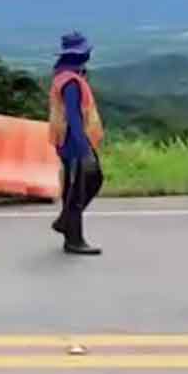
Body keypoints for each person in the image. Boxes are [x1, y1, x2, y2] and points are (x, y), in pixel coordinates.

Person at [48, 32, 105, 255]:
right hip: (74, 142)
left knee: (79, 187)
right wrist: (84, 150)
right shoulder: (70, 82)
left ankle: (66, 223)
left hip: (68, 141)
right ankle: (74, 238)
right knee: (80, 187)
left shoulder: (65, 76)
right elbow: (73, 116)